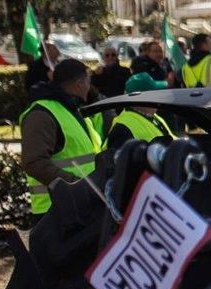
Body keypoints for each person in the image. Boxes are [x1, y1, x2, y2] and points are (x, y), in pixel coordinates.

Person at [18, 59, 101, 219]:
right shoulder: (42, 114)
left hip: (77, 206)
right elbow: (34, 163)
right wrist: (76, 186)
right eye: (88, 81)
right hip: (55, 211)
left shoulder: (70, 109)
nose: (89, 87)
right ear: (79, 84)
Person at [105, 72, 173, 150]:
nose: (159, 96)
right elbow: (121, 160)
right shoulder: (122, 129)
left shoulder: (154, 117)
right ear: (141, 98)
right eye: (155, 93)